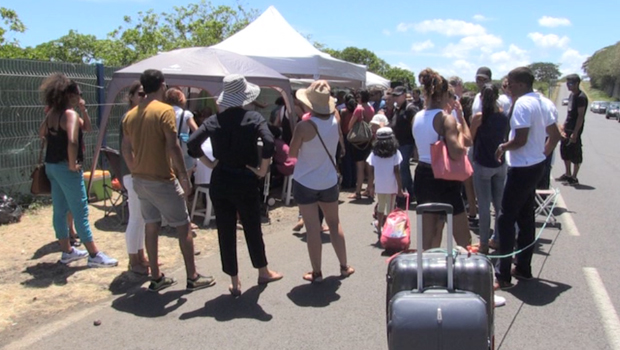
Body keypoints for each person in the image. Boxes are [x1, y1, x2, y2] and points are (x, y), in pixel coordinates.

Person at [187, 74, 282, 296]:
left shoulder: (214, 120)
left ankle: (234, 280)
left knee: (225, 230)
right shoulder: (253, 118)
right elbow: (269, 142)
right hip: (245, 177)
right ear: (244, 96)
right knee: (252, 227)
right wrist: (263, 168)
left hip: (220, 178)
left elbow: (192, 143)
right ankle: (263, 271)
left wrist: (209, 163)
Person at [122, 69, 215, 292]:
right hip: (162, 178)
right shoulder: (164, 112)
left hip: (140, 179)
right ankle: (192, 276)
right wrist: (184, 178)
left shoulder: (131, 114)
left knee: (151, 225)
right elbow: (173, 146)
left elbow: (126, 148)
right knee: (183, 227)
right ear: (162, 85)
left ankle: (156, 276)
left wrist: (135, 167)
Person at [38, 73, 118, 267]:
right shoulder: (69, 114)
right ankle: (94, 255)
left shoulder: (53, 114)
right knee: (80, 210)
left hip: (52, 166)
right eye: (78, 93)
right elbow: (73, 141)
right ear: (70, 94)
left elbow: (43, 133)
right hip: (67, 168)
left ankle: (67, 251)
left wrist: (83, 110)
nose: (80, 96)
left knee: (59, 209)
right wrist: (73, 164)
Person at [494, 67, 561, 290]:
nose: (508, 88)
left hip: (522, 167)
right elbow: (555, 135)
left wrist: (503, 147)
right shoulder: (544, 102)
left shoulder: (523, 104)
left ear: (522, 84)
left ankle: (502, 275)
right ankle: (523, 267)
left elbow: (520, 139)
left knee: (505, 218)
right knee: (525, 217)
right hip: (535, 166)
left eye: (511, 84)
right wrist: (542, 154)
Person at [289, 80, 355, 283]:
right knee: (334, 224)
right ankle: (344, 266)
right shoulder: (335, 119)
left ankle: (316, 272)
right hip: (328, 180)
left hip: (305, 181)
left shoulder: (303, 126)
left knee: (312, 228)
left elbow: (292, 154)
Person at [412, 68, 472, 250]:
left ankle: (427, 274)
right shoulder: (446, 119)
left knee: (428, 238)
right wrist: (460, 129)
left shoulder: (417, 117)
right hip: (444, 178)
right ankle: (464, 275)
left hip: (422, 174)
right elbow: (457, 152)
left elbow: (416, 152)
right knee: (464, 239)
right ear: (442, 95)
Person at [469, 83, 509, 255]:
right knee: (499, 205)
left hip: (482, 163)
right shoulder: (503, 116)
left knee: (484, 206)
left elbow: (469, 139)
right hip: (500, 164)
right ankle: (498, 239)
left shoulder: (479, 117)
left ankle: (484, 242)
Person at [118, 81, 150, 275]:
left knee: (142, 218)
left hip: (140, 172)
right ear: (131, 97)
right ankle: (133, 259)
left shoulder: (141, 117)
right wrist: (135, 171)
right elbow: (127, 148)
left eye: (146, 93)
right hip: (133, 173)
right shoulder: (128, 118)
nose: (144, 97)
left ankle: (141, 255)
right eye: (140, 94)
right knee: (136, 218)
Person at [366, 127, 403, 236]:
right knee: (390, 208)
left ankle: (379, 227)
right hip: (392, 186)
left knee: (380, 207)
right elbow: (397, 171)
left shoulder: (374, 154)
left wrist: (370, 187)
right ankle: (389, 228)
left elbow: (371, 172)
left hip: (379, 186)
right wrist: (400, 188)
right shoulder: (396, 153)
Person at [557, 74, 587, 185]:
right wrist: (564, 126)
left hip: (575, 130)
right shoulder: (571, 96)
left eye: (570, 83)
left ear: (577, 84)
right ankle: (567, 174)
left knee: (575, 153)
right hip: (568, 128)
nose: (568, 86)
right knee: (565, 152)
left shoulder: (581, 97)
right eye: (567, 83)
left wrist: (575, 132)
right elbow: (569, 114)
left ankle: (574, 177)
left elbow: (580, 116)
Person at [390, 86, 419, 203]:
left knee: (403, 168)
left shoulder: (410, 108)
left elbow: (416, 126)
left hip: (407, 142)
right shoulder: (398, 108)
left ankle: (411, 193)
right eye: (394, 96)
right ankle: (405, 193)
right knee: (401, 168)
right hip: (398, 142)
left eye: (398, 95)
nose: (396, 98)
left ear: (404, 95)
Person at [165, 87, 199, 181]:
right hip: (183, 150)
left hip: (167, 151)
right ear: (181, 99)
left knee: (170, 182)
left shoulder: (163, 113)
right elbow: (197, 131)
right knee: (185, 182)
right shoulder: (186, 114)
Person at [348, 90, 375, 199]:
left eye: (358, 96)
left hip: (359, 141)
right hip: (369, 139)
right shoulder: (371, 109)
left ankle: (358, 191)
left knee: (360, 167)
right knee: (369, 166)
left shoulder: (359, 109)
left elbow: (350, 125)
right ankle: (369, 190)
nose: (357, 98)